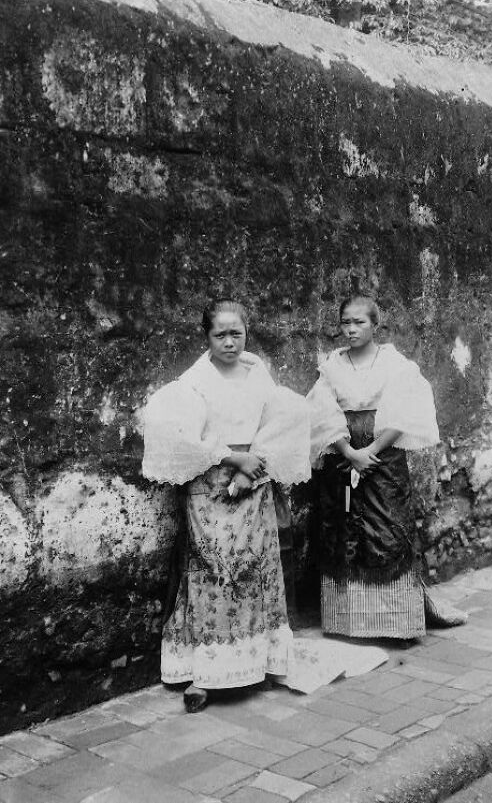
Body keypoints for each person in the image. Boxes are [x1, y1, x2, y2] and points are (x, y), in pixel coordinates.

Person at [141, 299, 310, 712]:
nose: (230, 342)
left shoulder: (258, 375)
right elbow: (178, 433)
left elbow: (285, 418)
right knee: (214, 569)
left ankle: (258, 661)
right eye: (221, 335)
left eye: (237, 333)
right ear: (207, 336)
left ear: (247, 333)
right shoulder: (195, 382)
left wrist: (253, 466)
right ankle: (205, 672)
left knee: (255, 566)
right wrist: (232, 459)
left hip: (254, 480)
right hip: (210, 484)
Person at [307, 295, 465, 641]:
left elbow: (405, 410)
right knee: (346, 528)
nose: (350, 329)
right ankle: (348, 621)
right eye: (345, 323)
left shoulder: (394, 365)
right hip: (344, 457)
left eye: (359, 322)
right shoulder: (333, 366)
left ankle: (397, 623)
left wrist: (372, 451)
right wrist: (349, 452)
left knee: (388, 527)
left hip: (384, 458)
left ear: (375, 325)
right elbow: (321, 413)